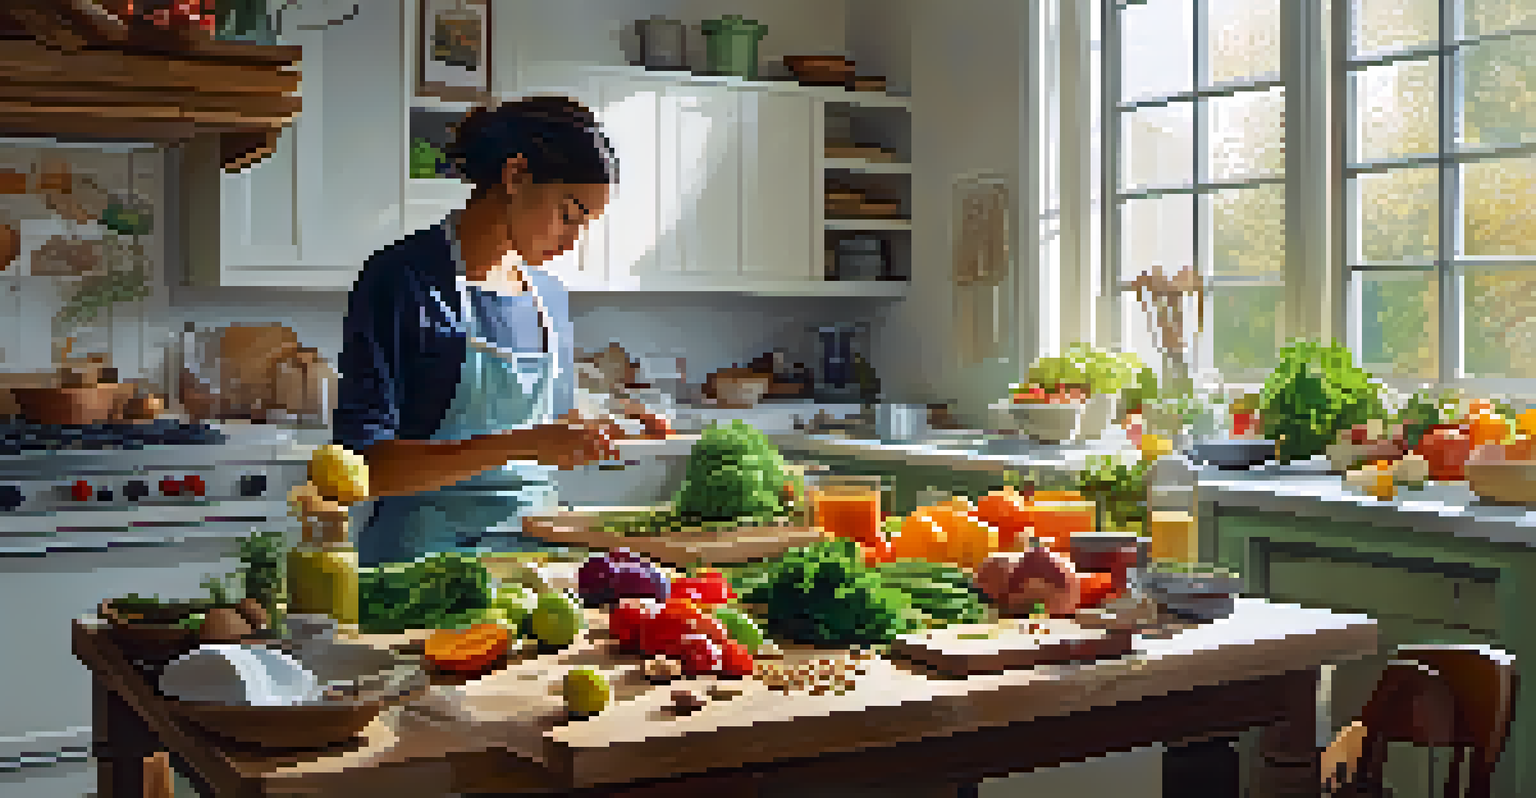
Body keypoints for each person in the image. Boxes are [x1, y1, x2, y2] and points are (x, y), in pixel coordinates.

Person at [334, 96, 633, 567]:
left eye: (585, 225)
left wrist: (606, 428)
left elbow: (553, 425)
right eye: (568, 215)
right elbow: (364, 469)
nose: (572, 241)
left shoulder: (550, 298)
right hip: (419, 571)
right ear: (515, 176)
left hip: (538, 568)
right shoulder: (403, 279)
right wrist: (525, 442)